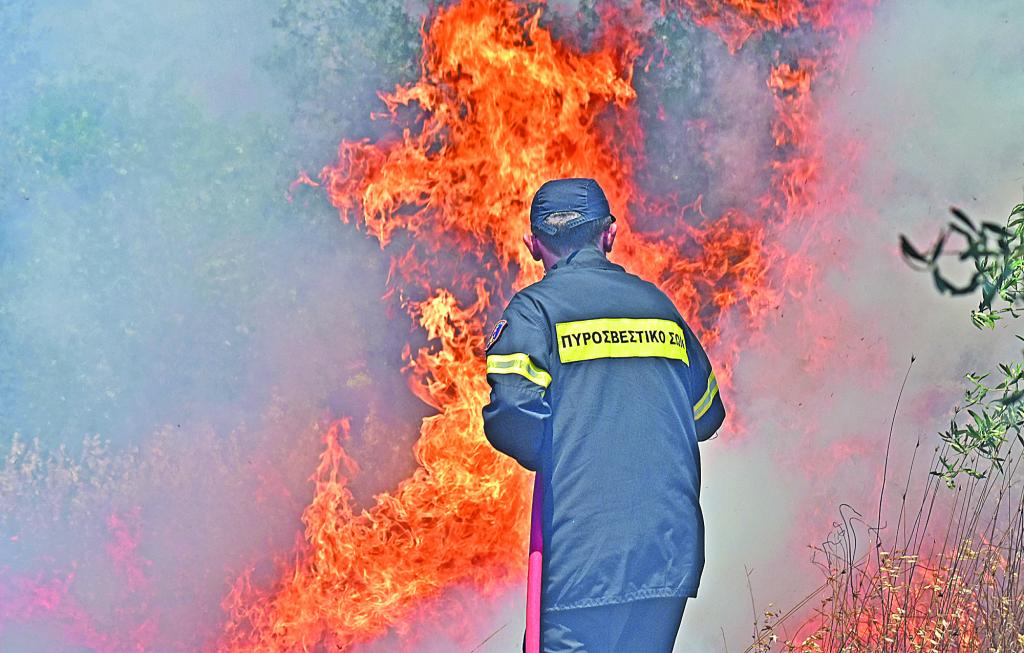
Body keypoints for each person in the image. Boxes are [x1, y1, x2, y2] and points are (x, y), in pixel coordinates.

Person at [481, 178, 726, 653]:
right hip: (666, 558)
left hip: (583, 560)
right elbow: (706, 414)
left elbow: (512, 412)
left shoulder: (535, 312)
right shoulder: (660, 309)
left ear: (533, 245)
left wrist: (560, 447)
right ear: (609, 234)